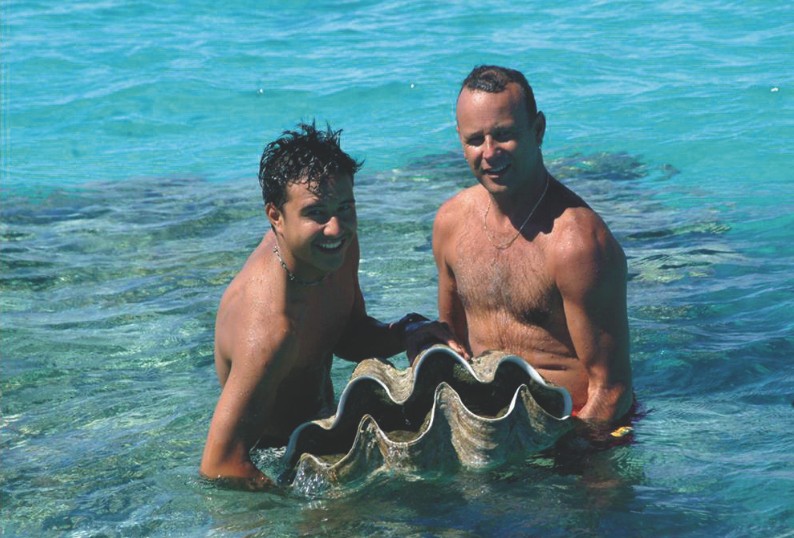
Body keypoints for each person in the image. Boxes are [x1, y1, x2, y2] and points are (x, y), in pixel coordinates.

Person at [200, 122, 463, 489]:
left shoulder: (334, 251)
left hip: (321, 436)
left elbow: (346, 335)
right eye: (316, 213)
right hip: (275, 458)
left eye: (345, 207)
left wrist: (407, 331)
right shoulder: (269, 328)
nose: (337, 228)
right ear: (275, 216)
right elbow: (221, 465)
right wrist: (301, 508)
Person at [431, 65, 633, 429]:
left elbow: (612, 390)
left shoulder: (578, 244)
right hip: (490, 428)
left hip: (577, 428)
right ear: (460, 142)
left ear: (538, 130)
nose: (489, 153)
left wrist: (568, 458)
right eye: (475, 140)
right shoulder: (450, 224)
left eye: (504, 135)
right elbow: (451, 347)